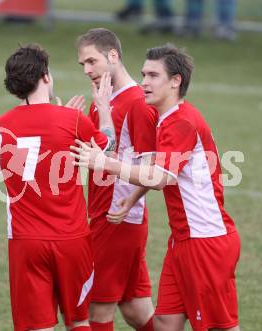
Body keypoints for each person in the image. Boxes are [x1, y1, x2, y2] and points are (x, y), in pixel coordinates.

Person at [71, 43, 241, 331]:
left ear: (176, 81)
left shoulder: (181, 122)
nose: (144, 83)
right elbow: (154, 171)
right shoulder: (167, 120)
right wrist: (132, 195)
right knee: (163, 323)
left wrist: (106, 164)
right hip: (181, 240)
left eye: (152, 76)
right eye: (143, 75)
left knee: (219, 326)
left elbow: (161, 178)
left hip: (204, 241)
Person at [0, 43, 116, 331]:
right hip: (71, 239)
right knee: (80, 321)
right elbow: (107, 149)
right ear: (45, 76)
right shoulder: (72, 120)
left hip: (26, 242)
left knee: (38, 325)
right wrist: (104, 110)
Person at [76, 28, 158, 331]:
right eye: (82, 65)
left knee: (96, 310)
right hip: (110, 216)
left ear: (113, 56)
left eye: (91, 62)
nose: (87, 70)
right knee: (136, 309)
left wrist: (130, 203)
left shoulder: (136, 103)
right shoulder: (106, 99)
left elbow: (151, 168)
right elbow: (98, 152)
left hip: (116, 220)